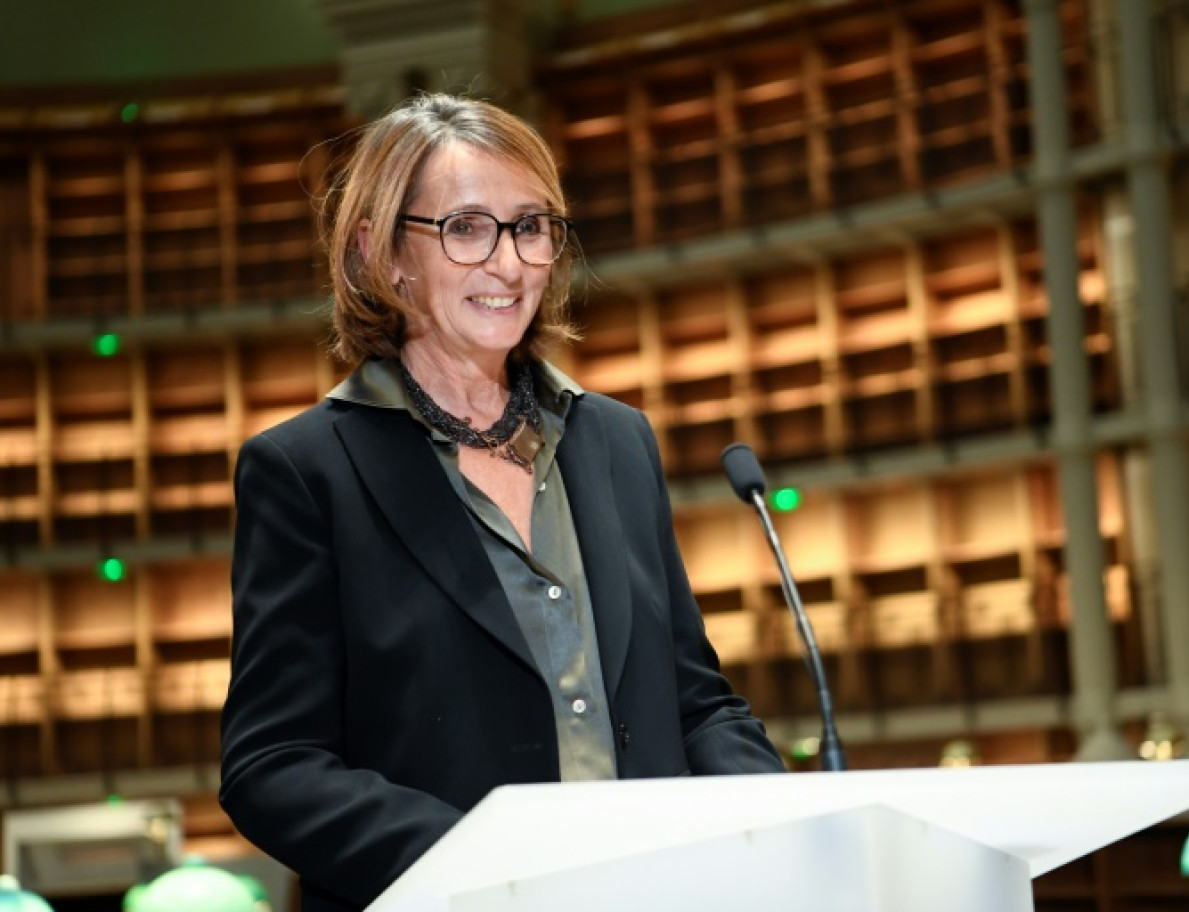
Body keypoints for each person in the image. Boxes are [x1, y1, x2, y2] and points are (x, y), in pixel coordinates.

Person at [218, 93, 785, 912]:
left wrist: (773, 811)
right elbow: (274, 764)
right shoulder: (307, 471)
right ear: (384, 253)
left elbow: (694, 702)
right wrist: (483, 871)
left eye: (530, 226)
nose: (510, 262)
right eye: (467, 227)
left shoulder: (618, 442)